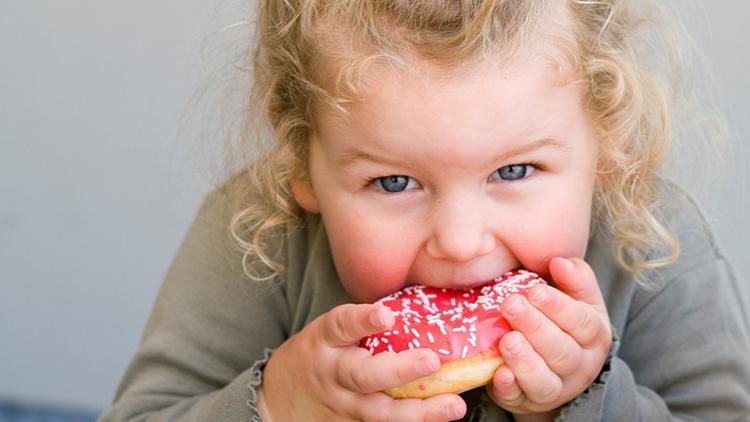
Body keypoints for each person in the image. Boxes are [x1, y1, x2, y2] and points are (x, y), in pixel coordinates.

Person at [99, 1, 750, 421]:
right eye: (393, 182)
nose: (462, 242)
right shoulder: (261, 232)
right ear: (302, 165)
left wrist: (587, 399)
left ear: (605, 145)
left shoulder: (652, 241)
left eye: (515, 171)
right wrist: (278, 402)